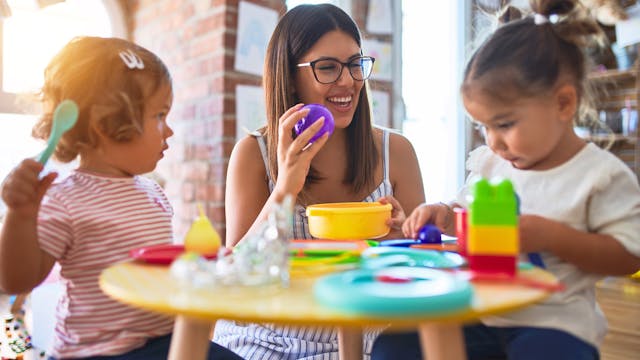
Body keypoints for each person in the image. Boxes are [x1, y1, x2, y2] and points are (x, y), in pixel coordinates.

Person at [371, 1, 640, 359]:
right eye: (483, 127)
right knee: (394, 346)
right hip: (481, 312)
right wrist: (444, 215)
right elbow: (469, 218)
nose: (493, 141)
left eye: (505, 124)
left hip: (553, 323)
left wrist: (550, 236)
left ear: (563, 104)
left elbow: (628, 258)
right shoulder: (493, 164)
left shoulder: (599, 175)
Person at [0, 37, 241, 360]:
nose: (168, 130)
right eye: (159, 115)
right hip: (97, 352)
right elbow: (16, 279)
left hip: (163, 338)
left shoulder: (152, 191)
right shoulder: (65, 198)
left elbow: (155, 268)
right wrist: (20, 215)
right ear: (105, 124)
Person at [215, 3, 425, 359]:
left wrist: (405, 235)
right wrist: (285, 189)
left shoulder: (397, 152)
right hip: (265, 341)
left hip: (369, 342)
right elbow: (235, 276)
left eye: (356, 64)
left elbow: (422, 273)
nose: (348, 81)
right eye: (327, 68)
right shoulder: (253, 155)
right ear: (290, 77)